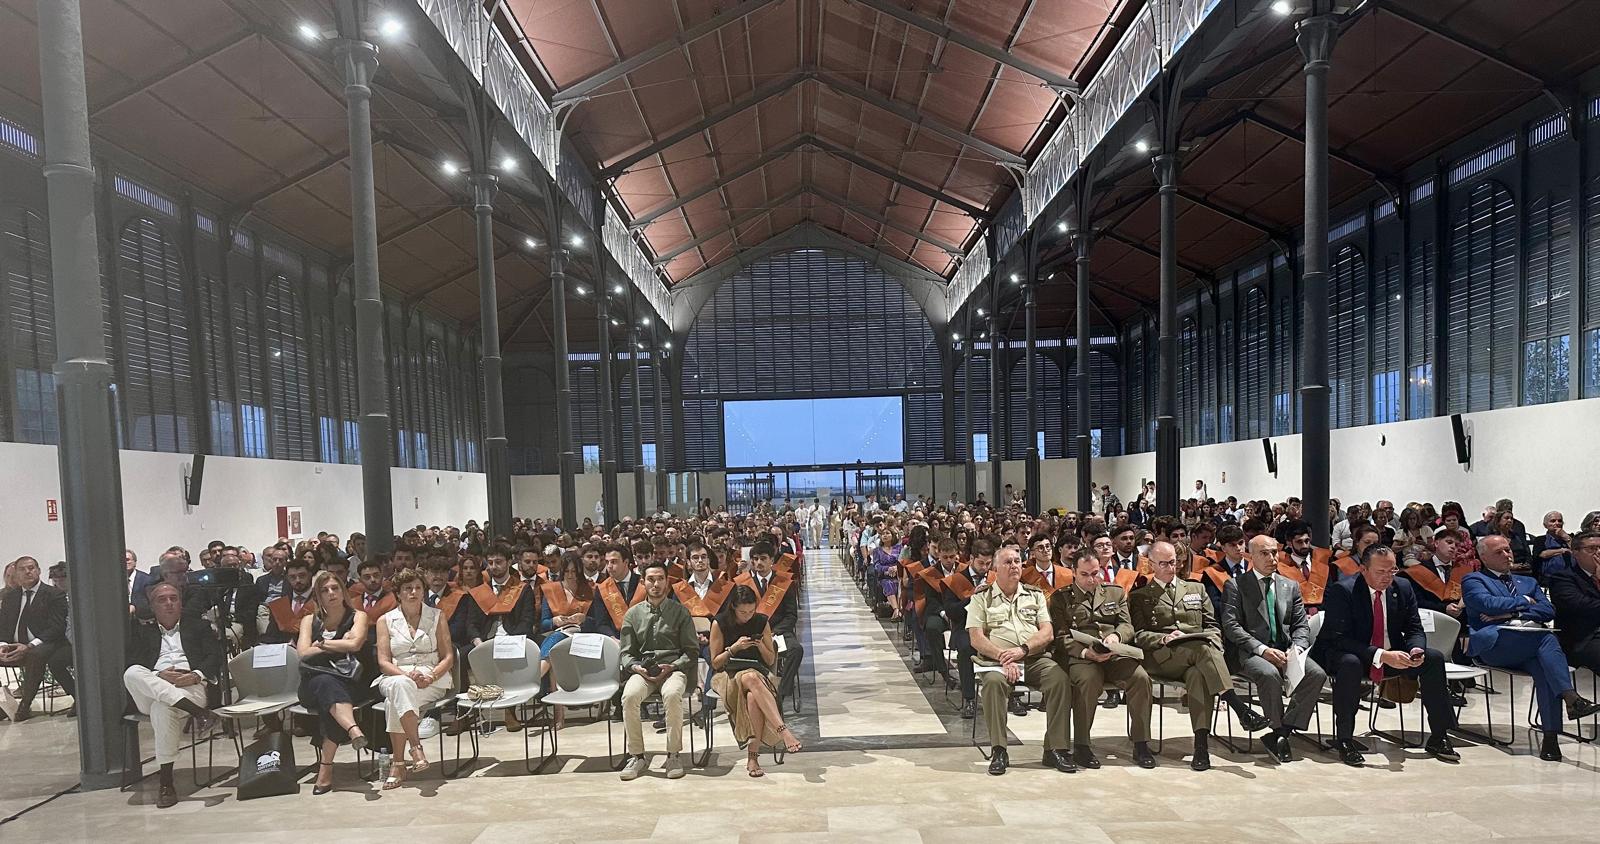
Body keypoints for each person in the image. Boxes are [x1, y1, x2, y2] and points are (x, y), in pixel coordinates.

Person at [1461, 535, 1600, 761]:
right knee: (1546, 639)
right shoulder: (1474, 580)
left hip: (1529, 645)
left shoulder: (1528, 582)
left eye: (1508, 550)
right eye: (1500, 552)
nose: (1508, 555)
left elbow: (1548, 610)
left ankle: (1551, 740)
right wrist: (1526, 602)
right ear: (1483, 557)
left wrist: (1512, 612)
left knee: (1544, 668)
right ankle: (1571, 698)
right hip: (1496, 644)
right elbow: (1486, 604)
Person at [1131, 541, 1268, 771]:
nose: (1170, 567)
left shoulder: (1196, 589)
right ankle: (1237, 705)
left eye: (1173, 562)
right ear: (1151, 564)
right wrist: (1163, 638)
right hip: (1162, 657)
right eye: (1163, 563)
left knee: (1198, 673)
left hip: (1199, 657)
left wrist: (1214, 643)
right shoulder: (1140, 596)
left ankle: (1201, 747)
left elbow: (1213, 627)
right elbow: (1138, 635)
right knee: (1203, 651)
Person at [1316, 544, 1459, 766]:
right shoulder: (1343, 590)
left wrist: (1415, 649)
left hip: (1391, 653)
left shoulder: (1402, 587)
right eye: (1380, 572)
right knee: (1350, 663)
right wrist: (1381, 655)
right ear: (1364, 570)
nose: (1387, 577)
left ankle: (1439, 735)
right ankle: (1344, 738)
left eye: (1391, 571)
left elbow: (1414, 627)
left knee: (1434, 658)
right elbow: (1339, 638)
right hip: (1346, 653)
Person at [966, 546, 1075, 775]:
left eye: (1017, 561)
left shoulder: (1034, 595)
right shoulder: (981, 597)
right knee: (994, 684)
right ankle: (999, 749)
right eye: (1008, 562)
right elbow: (976, 638)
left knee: (1059, 679)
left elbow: (1047, 632)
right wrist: (1004, 657)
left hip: (1033, 657)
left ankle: (1056, 748)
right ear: (996, 568)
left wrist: (1022, 651)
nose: (1014, 565)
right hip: (996, 661)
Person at [1220, 536, 1327, 763]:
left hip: (1286, 649)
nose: (1271, 558)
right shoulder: (1236, 585)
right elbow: (1231, 626)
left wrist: (1297, 649)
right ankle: (1278, 728)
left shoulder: (1290, 585)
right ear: (1251, 556)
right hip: (1250, 652)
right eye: (1264, 553)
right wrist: (1262, 650)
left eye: (1274, 552)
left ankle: (1283, 730)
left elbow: (1300, 625)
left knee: (1316, 674)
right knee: (1269, 674)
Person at [1048, 548, 1156, 769]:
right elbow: (1060, 637)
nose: (1091, 579)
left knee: (1141, 678)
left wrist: (1117, 636)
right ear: (1073, 572)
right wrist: (1087, 653)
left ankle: (1141, 742)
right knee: (1089, 680)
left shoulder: (1114, 593)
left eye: (1095, 573)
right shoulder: (1061, 598)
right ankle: (1082, 745)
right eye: (1085, 574)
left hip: (1113, 653)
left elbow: (1127, 625)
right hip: (1081, 656)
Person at [122, 581, 223, 808]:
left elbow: (214, 658)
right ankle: (199, 714)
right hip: (152, 688)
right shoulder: (141, 631)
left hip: (191, 686)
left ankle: (166, 783)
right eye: (162, 599)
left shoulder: (199, 627)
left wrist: (196, 675)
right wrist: (158, 674)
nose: (169, 603)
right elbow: (132, 662)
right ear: (152, 606)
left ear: (181, 603)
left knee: (162, 708)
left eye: (173, 598)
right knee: (131, 672)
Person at [709, 584, 803, 777]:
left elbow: (769, 660)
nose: (748, 616)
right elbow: (716, 663)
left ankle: (753, 758)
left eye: (752, 611)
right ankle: (783, 730)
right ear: (733, 607)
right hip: (727, 675)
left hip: (757, 672)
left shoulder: (761, 621)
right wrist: (734, 648)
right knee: (750, 677)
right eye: (743, 612)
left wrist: (760, 645)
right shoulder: (720, 623)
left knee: (752, 696)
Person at [618, 561, 699, 781]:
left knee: (672, 695)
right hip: (644, 671)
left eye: (660, 579)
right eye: (651, 579)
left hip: (672, 668)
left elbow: (691, 652)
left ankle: (673, 755)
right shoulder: (633, 614)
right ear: (643, 582)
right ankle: (637, 756)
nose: (656, 584)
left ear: (667, 582)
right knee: (629, 696)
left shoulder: (680, 612)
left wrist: (672, 666)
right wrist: (636, 667)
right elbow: (625, 653)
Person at [373, 568, 454, 789]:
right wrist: (407, 675)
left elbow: (448, 657)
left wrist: (431, 676)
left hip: (431, 677)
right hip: (395, 674)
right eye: (407, 588)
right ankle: (416, 747)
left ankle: (398, 763)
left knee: (394, 701)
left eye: (418, 588)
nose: (413, 592)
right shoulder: (385, 620)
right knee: (401, 685)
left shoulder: (437, 616)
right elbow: (384, 662)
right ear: (398, 593)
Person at [296, 571, 372, 794]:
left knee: (329, 698)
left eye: (335, 588)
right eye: (324, 590)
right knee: (325, 683)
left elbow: (356, 644)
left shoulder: (358, 616)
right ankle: (353, 729)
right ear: (317, 595)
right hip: (312, 683)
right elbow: (302, 653)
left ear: (343, 591)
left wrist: (321, 645)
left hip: (349, 680)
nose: (331, 593)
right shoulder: (309, 620)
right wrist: (339, 642)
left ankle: (326, 769)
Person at [0, 556, 74, 722]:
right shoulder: (10, 597)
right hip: (14, 645)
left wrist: (29, 645)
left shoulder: (54, 594)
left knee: (36, 655)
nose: (28, 571)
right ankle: (1, 706)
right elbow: (3, 626)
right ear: (16, 574)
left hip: (45, 642)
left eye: (32, 568)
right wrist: (3, 645)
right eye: (23, 569)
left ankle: (25, 705)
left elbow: (56, 627)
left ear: (39, 571)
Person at [1550, 531, 1600, 672]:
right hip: (1583, 639)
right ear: (1575, 552)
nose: (1598, 552)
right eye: (1592, 549)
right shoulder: (1562, 578)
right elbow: (1584, 607)